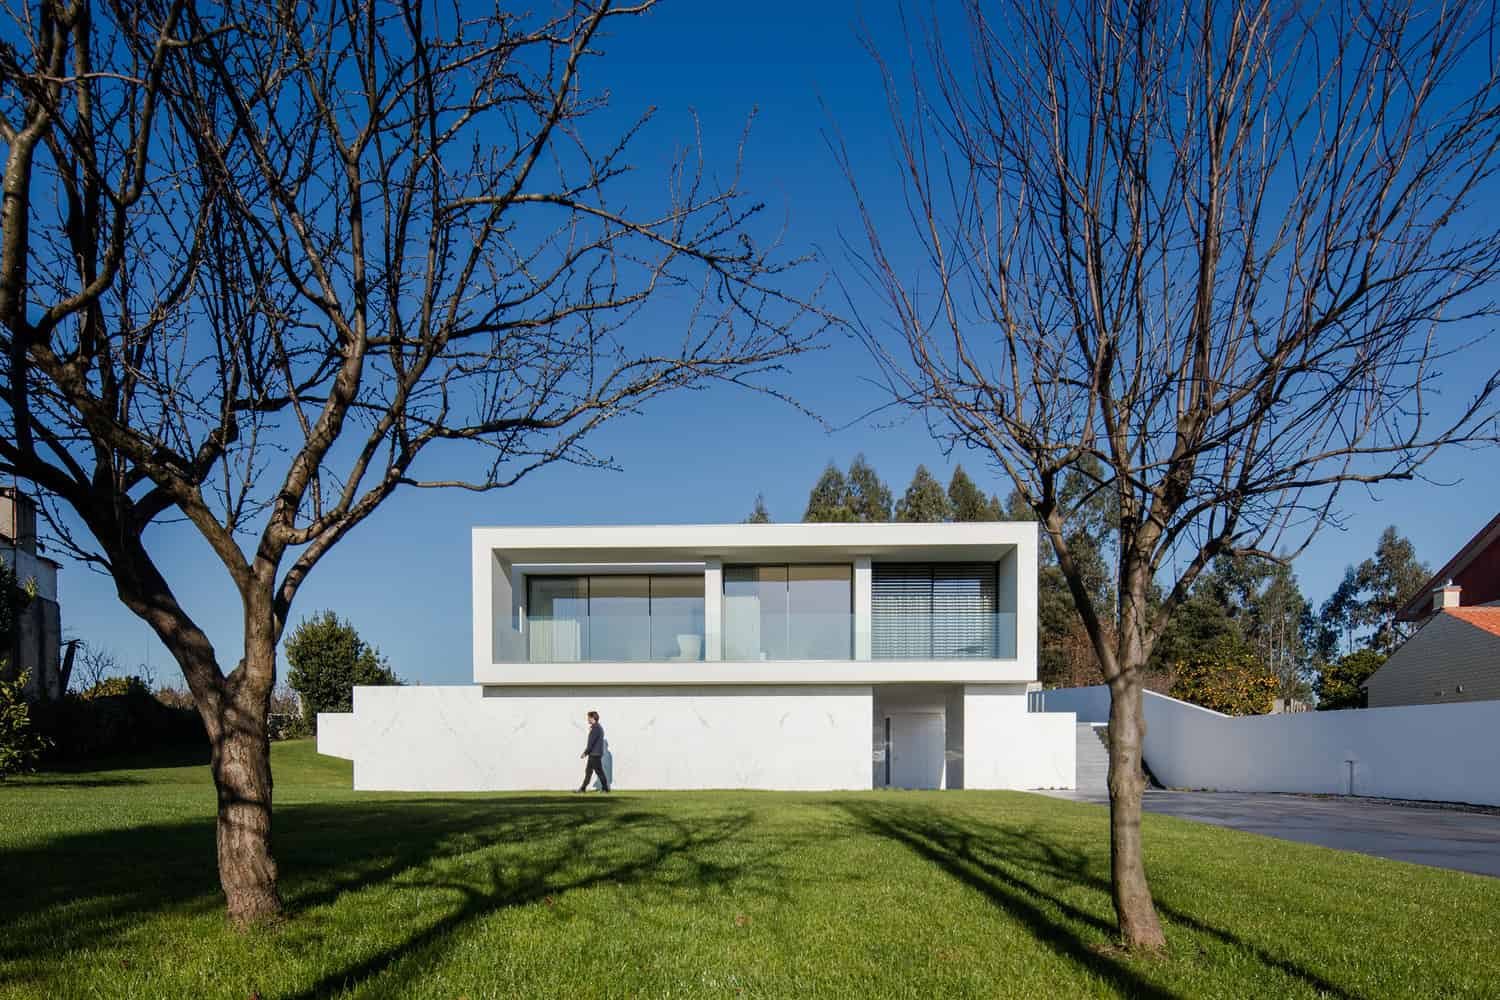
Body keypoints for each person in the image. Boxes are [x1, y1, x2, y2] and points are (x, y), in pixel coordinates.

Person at [577, 710, 610, 793]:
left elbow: (591, 743)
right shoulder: (597, 727)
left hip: (594, 754)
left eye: (588, 717)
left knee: (598, 772)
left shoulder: (596, 728)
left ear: (592, 718)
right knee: (589, 772)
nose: (587, 719)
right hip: (595, 754)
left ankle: (605, 788)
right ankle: (583, 788)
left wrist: (585, 753)